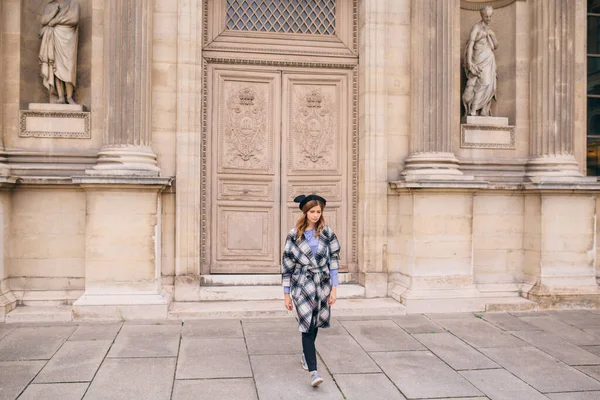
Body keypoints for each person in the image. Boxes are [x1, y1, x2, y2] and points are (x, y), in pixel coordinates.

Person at [282, 194, 340, 387]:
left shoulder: (327, 233)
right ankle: (314, 372)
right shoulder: (294, 235)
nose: (316, 215)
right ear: (305, 212)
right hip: (302, 284)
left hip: (322, 283)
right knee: (306, 324)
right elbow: (287, 264)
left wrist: (334, 288)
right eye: (312, 211)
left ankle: (306, 355)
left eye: (318, 212)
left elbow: (334, 260)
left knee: (314, 323)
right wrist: (286, 293)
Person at [39, 0, 80, 105]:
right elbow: (43, 21)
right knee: (55, 66)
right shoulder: (50, 6)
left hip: (68, 36)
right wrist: (54, 12)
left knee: (69, 66)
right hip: (54, 36)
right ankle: (61, 96)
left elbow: (74, 19)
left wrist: (56, 20)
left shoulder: (73, 3)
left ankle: (70, 97)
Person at [462, 5, 498, 117]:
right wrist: (469, 62)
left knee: (490, 85)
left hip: (489, 59)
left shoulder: (489, 30)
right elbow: (470, 44)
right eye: (486, 16)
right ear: (482, 16)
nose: (489, 18)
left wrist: (492, 35)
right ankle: (473, 109)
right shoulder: (476, 28)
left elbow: (495, 46)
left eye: (490, 16)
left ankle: (484, 110)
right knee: (483, 83)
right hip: (479, 59)